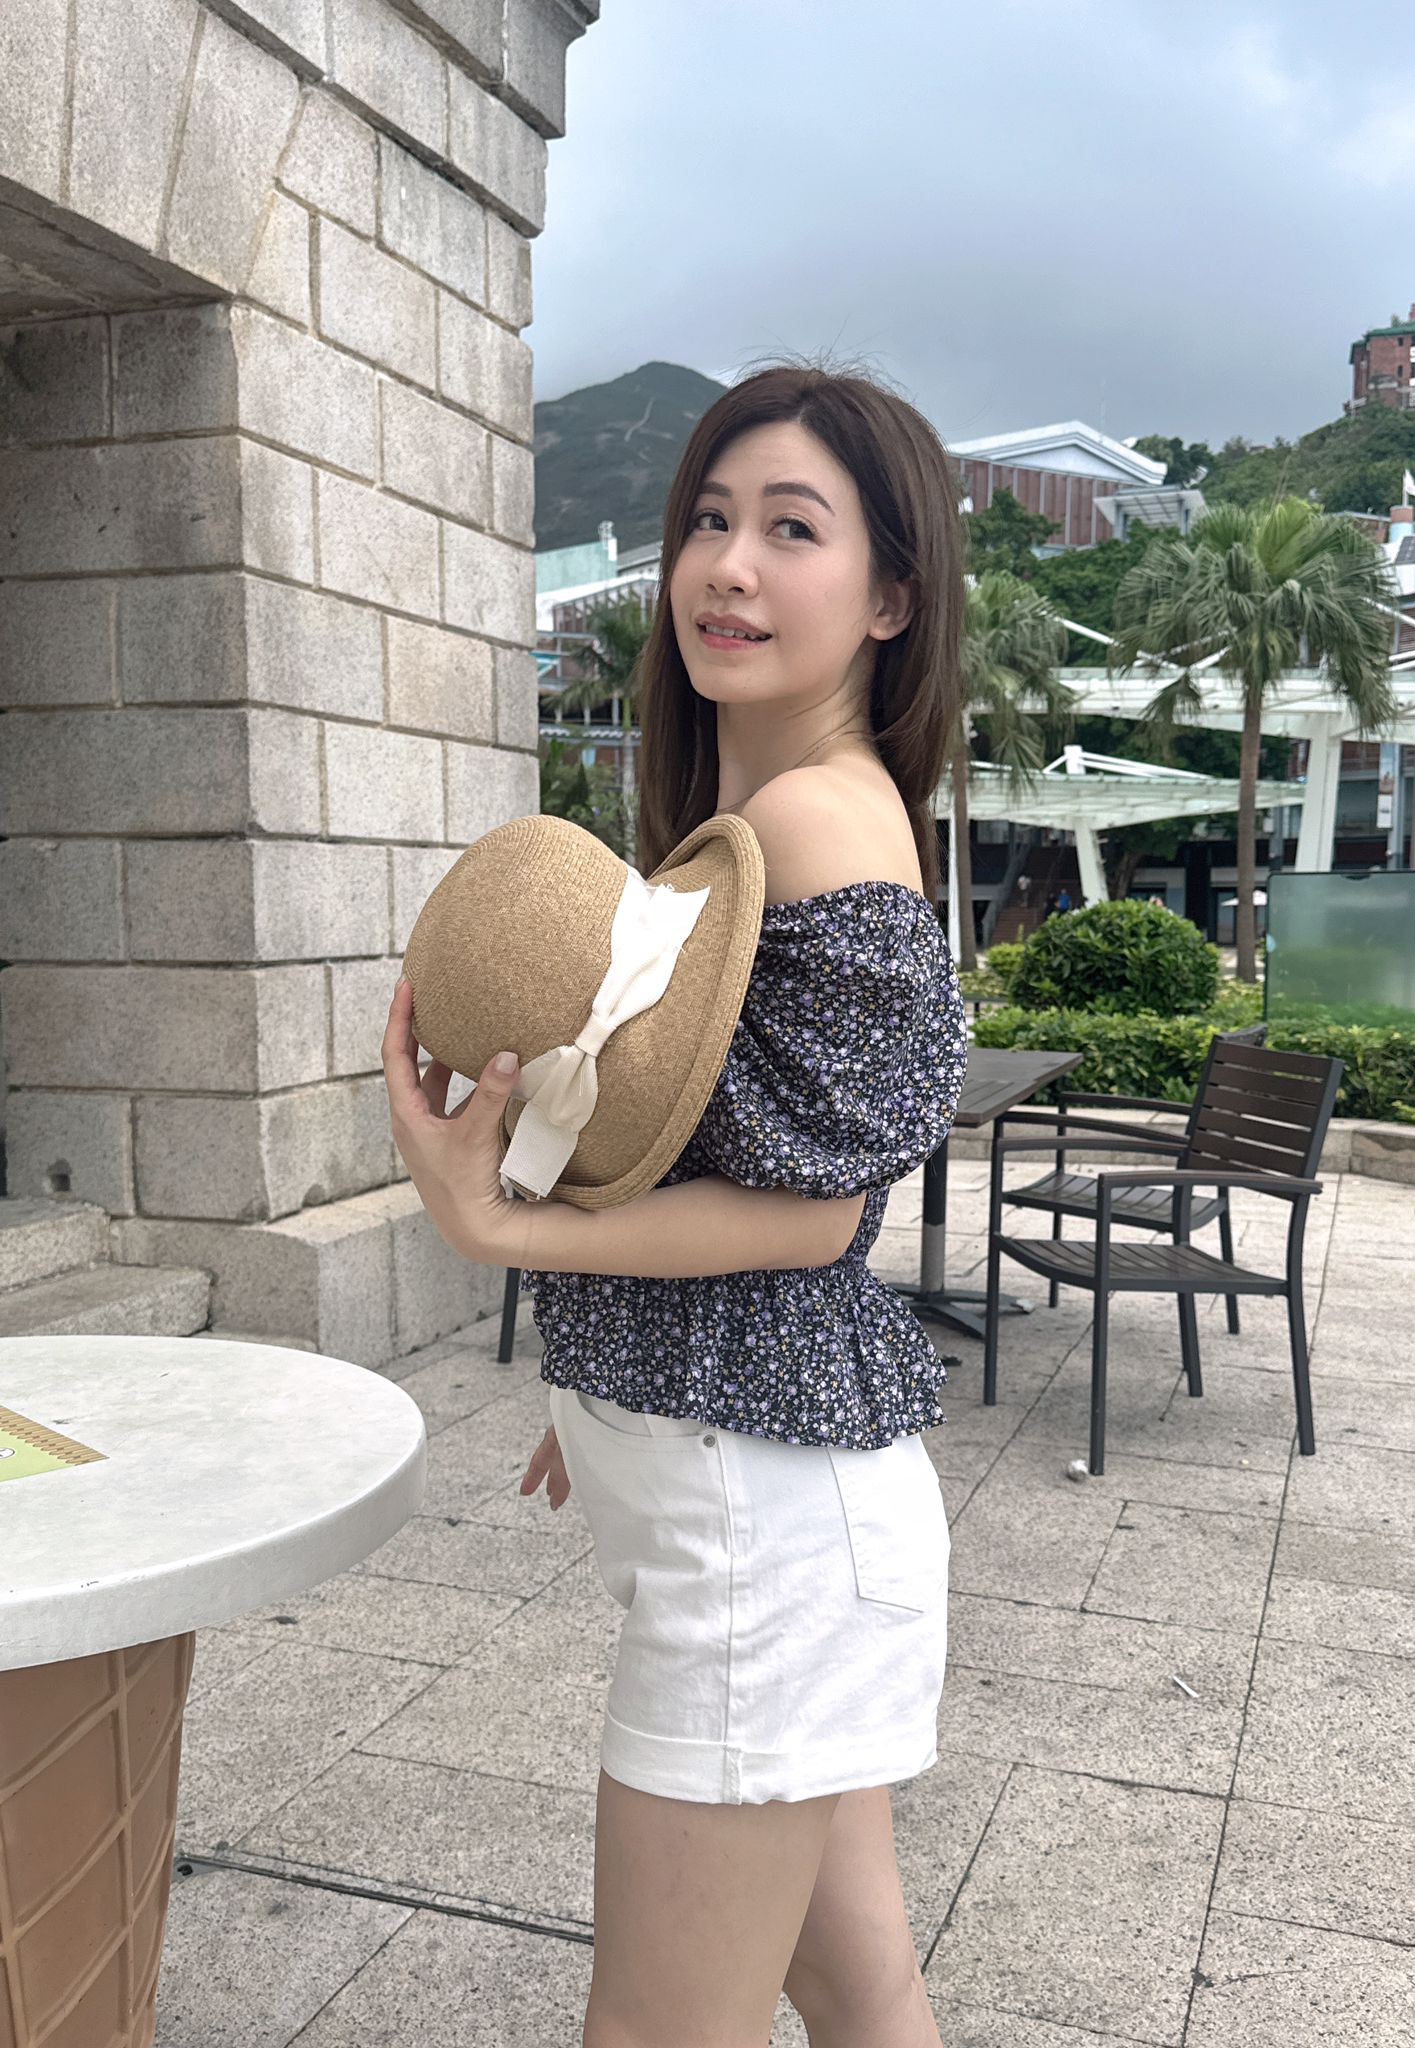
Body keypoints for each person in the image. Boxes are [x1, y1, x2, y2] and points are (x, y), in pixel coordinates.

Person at [383, 359, 969, 2047]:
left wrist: (507, 1230)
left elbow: (814, 1215)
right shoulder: (754, 821)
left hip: (758, 1541)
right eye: (709, 519)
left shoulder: (814, 820)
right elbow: (719, 1174)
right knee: (858, 1988)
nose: (728, 566)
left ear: (888, 598)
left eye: (792, 528)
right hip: (767, 1498)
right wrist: (614, 1360)